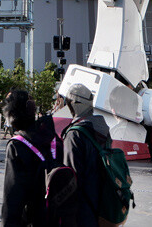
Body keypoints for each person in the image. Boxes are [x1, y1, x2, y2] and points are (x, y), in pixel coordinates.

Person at [1, 89, 67, 227]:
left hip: (33, 218)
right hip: (60, 216)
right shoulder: (53, 137)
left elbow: (13, 197)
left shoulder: (17, 145)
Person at [62, 83, 110, 227]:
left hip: (82, 212)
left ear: (75, 104)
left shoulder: (75, 134)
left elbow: (70, 179)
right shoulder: (104, 129)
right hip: (104, 207)